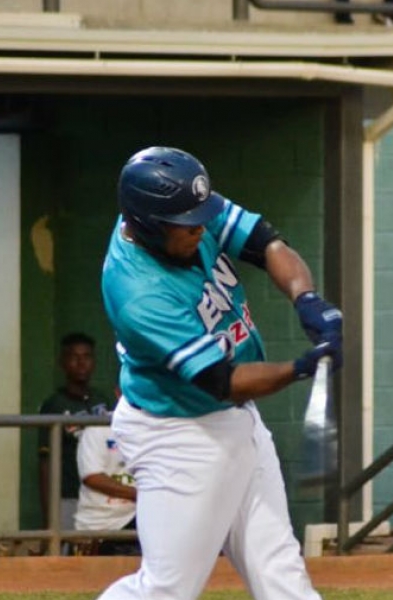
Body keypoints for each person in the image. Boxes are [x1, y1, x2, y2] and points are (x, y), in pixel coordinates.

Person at [98, 146, 343, 599]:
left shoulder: (179, 208)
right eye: (186, 223)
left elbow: (266, 242)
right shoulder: (137, 291)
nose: (200, 228)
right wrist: (300, 367)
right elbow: (222, 381)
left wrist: (307, 298)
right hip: (178, 435)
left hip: (233, 420)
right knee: (167, 588)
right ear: (149, 223)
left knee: (280, 573)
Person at [37, 332, 114, 537]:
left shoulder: (102, 400)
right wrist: (48, 514)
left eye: (87, 356)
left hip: (101, 496)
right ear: (63, 362)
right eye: (74, 357)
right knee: (65, 554)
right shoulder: (54, 404)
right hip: (68, 495)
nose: (81, 363)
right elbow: (45, 462)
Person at [74, 402, 140, 556]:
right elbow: (92, 477)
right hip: (104, 524)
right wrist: (141, 494)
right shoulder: (99, 427)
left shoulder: (157, 428)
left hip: (141, 517)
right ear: (118, 392)